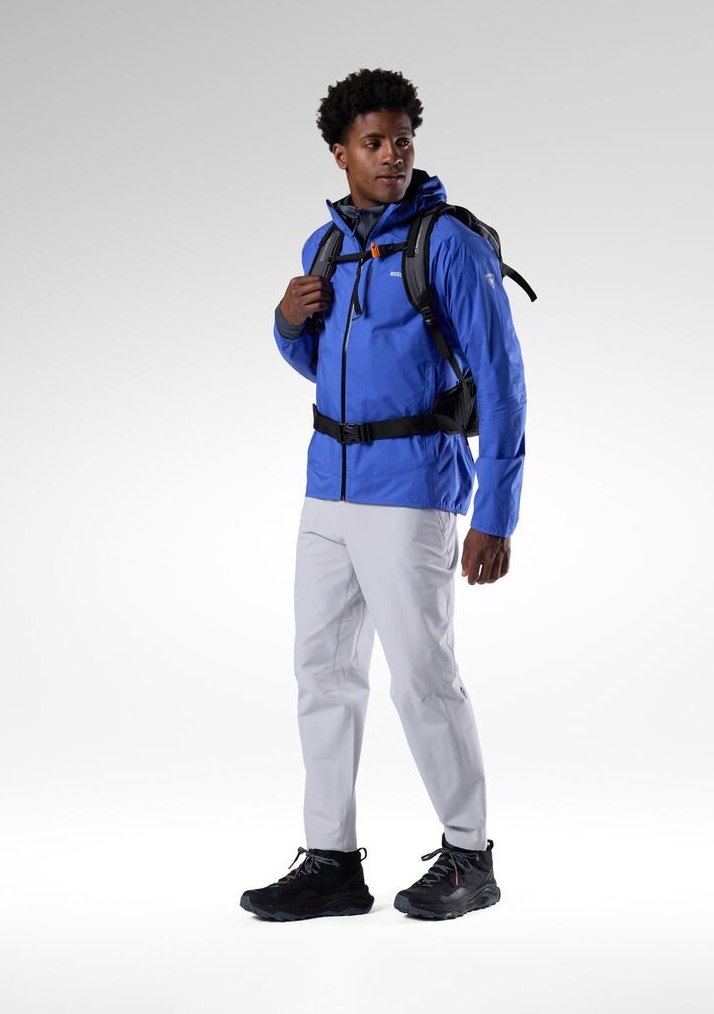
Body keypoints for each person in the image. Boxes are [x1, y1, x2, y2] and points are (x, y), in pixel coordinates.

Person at [240, 68, 527, 922]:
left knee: (423, 678)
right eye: (374, 143)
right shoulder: (323, 247)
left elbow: (503, 383)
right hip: (326, 491)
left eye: (403, 140)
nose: (393, 155)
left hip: (412, 491)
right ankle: (331, 862)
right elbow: (326, 367)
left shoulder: (449, 244)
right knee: (322, 675)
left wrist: (496, 513)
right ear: (341, 153)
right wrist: (287, 323)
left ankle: (469, 856)